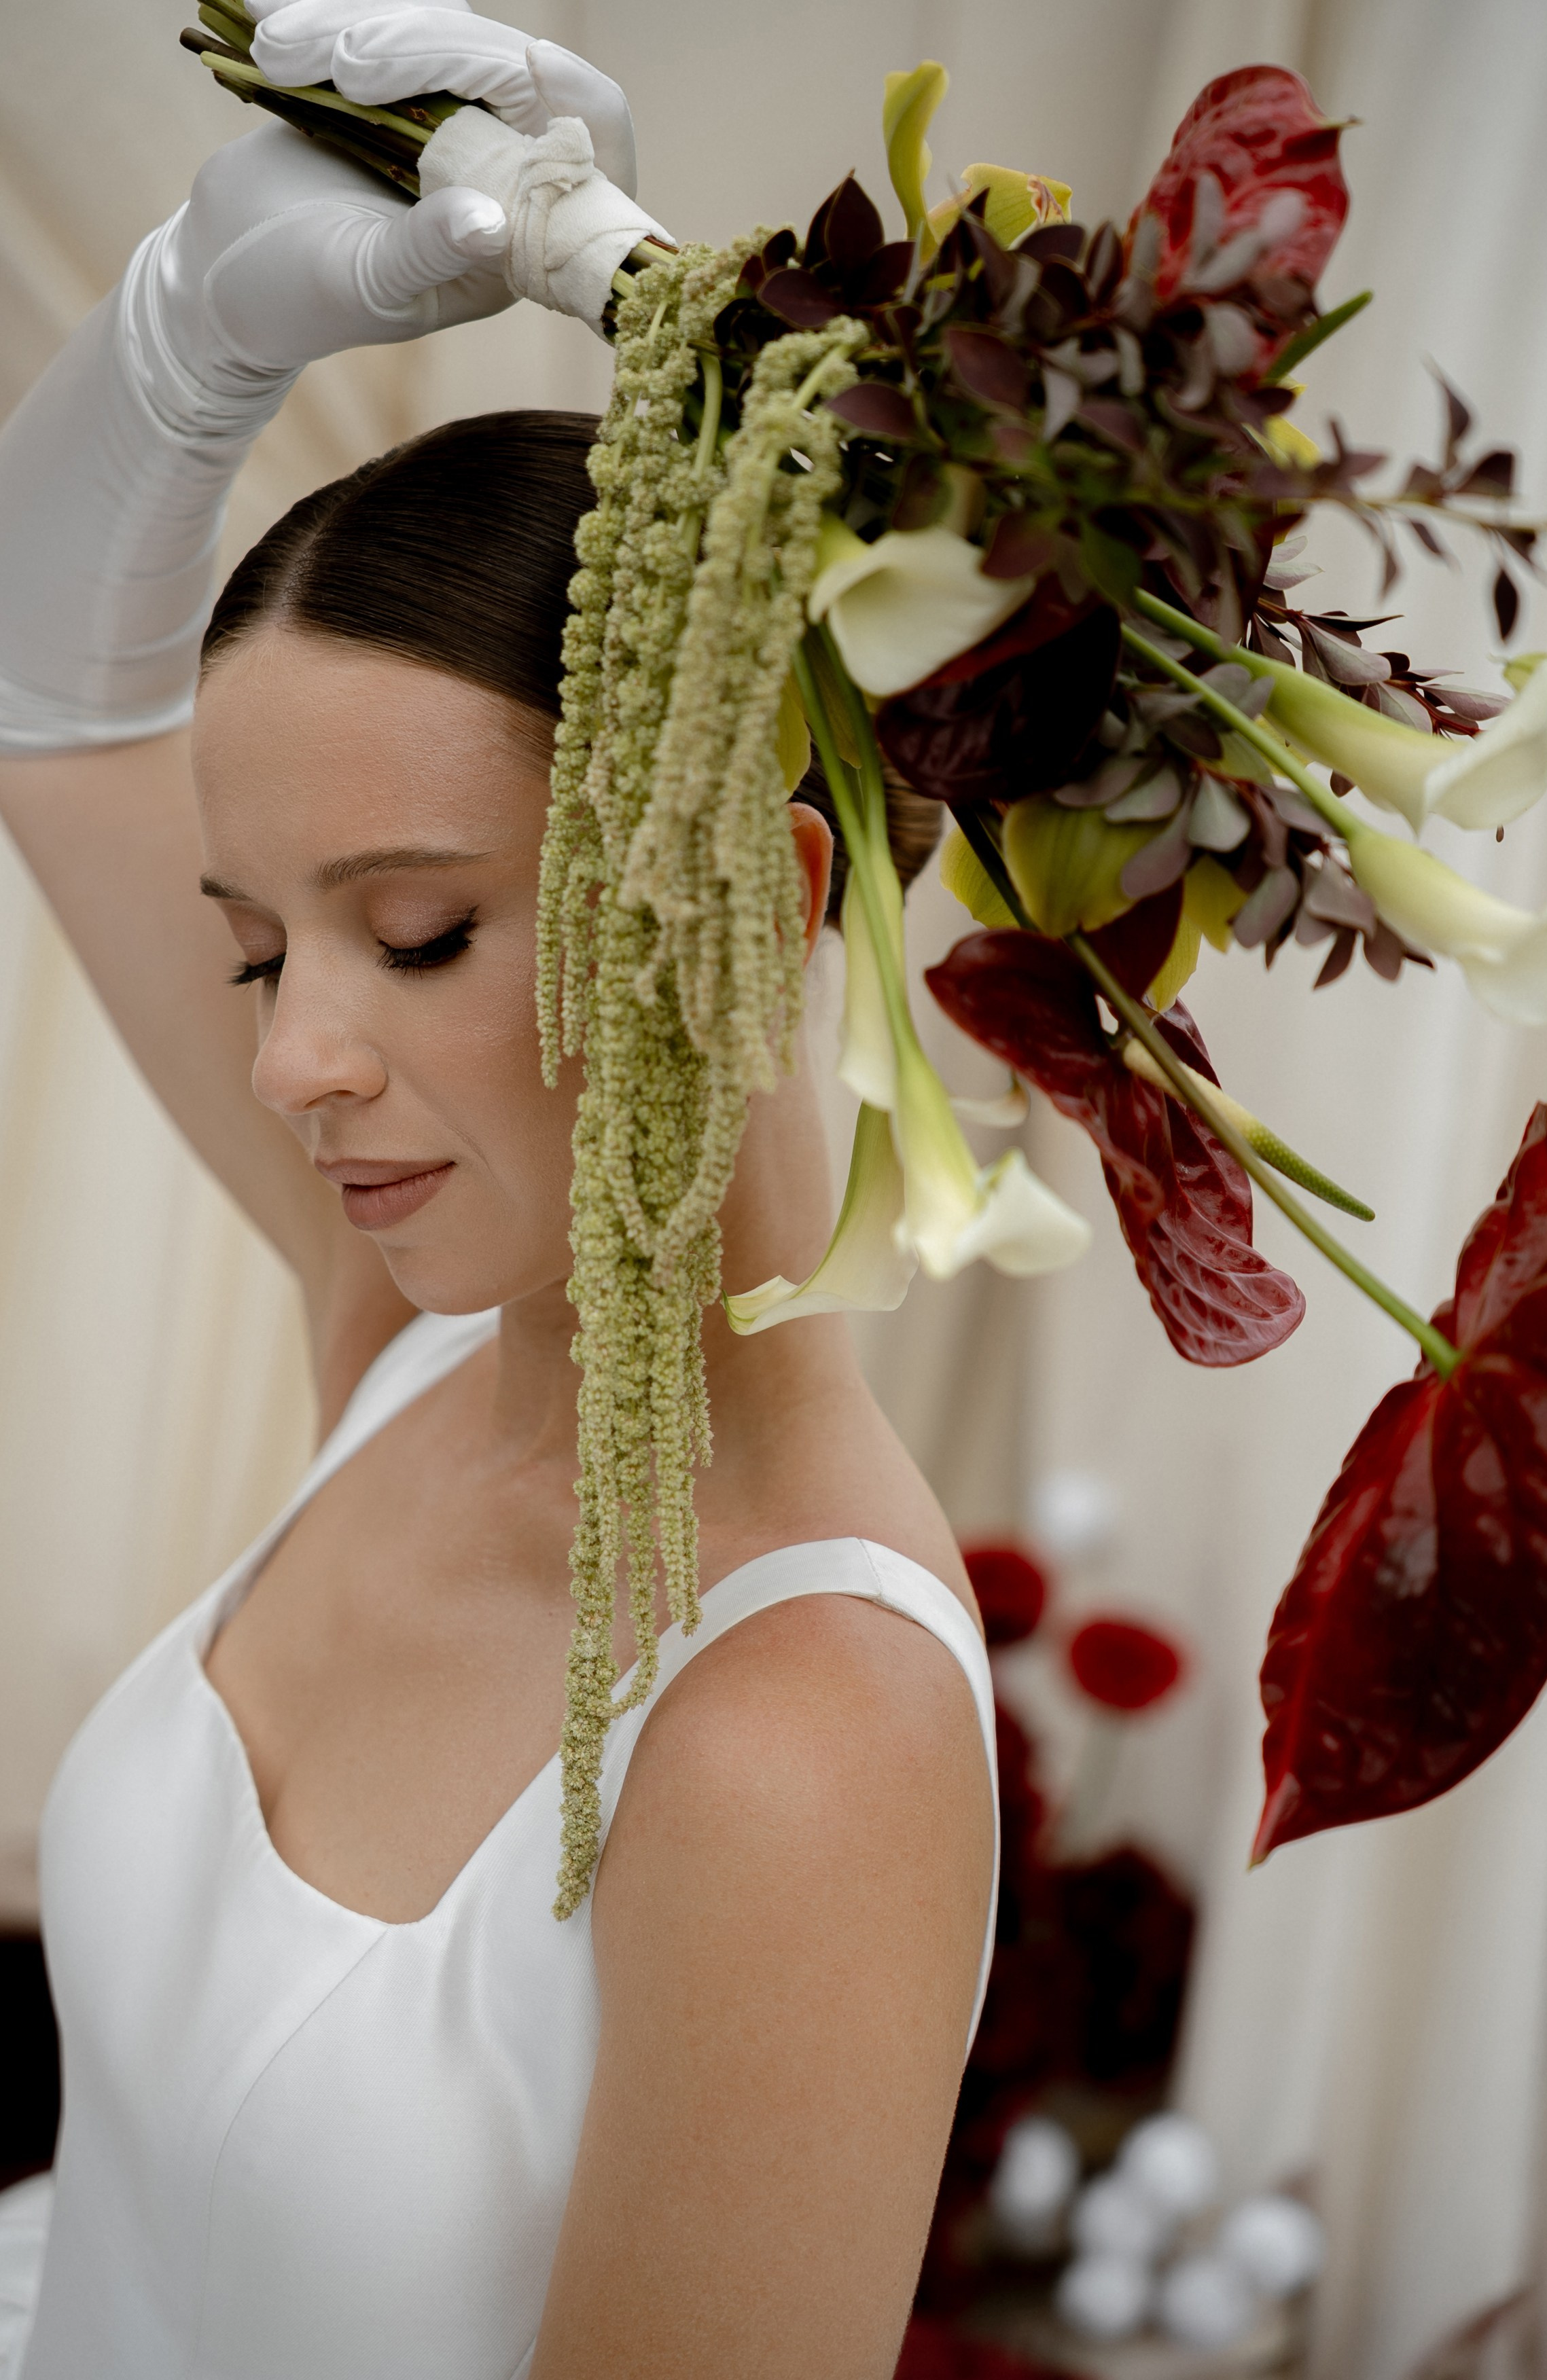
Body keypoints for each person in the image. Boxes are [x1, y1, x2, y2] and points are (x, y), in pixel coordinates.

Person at [0, 4, 998, 2375]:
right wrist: (198, 323)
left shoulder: (801, 1736)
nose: (292, 1057)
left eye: (418, 932)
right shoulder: (425, 1336)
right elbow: (48, 696)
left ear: (737, 898)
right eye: (253, 951)